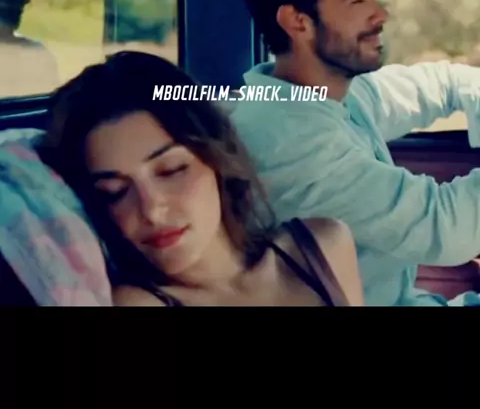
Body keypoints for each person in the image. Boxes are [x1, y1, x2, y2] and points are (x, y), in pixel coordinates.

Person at [230, 0, 480, 307]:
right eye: (358, 0)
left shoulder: (329, 94)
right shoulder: (286, 140)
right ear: (298, 21)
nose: (381, 15)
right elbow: (446, 228)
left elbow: (444, 83)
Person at [38, 51, 364, 307]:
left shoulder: (323, 247)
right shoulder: (138, 303)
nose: (152, 211)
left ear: (217, 158)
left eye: (171, 170)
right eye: (115, 192)